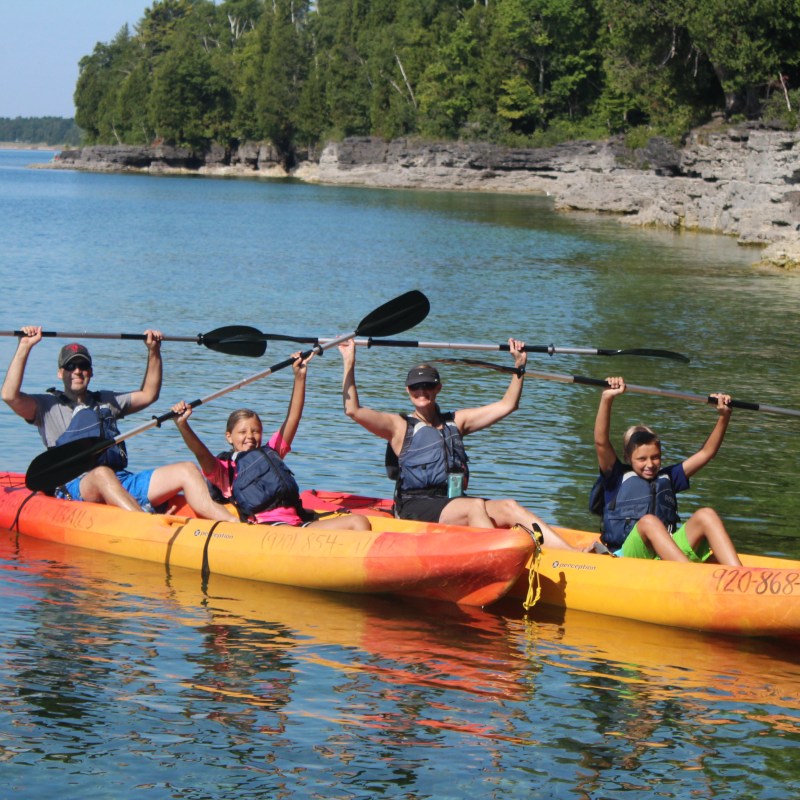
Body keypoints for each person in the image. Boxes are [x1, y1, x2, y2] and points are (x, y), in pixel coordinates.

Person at [338, 337, 583, 550]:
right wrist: (349, 361)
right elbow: (353, 409)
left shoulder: (457, 421)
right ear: (408, 390)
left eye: (428, 385)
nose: (422, 391)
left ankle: (571, 556)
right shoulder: (398, 426)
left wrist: (519, 366)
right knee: (474, 506)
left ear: (438, 388)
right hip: (415, 505)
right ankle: (496, 554)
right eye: (416, 387)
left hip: (453, 501)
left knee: (509, 506)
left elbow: (507, 405)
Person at [2, 325, 237, 521]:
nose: (77, 371)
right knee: (102, 473)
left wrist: (153, 351)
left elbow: (148, 394)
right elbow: (9, 396)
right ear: (60, 373)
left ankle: (235, 524)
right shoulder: (45, 406)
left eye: (83, 366)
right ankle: (145, 524)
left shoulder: (106, 400)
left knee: (186, 469)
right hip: (74, 486)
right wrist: (25, 346)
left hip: (120, 479)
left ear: (91, 372)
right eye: (70, 366)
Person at [171, 351, 371, 531]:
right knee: (292, 534)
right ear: (228, 437)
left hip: (299, 524)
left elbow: (293, 418)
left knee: (359, 522)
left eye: (255, 431)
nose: (250, 436)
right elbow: (201, 453)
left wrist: (299, 377)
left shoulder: (272, 451)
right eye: (242, 432)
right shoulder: (224, 470)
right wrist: (183, 425)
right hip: (269, 529)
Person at [593, 375, 742, 565]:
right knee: (648, 522)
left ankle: (739, 576)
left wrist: (724, 416)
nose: (650, 464)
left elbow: (707, 453)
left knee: (707, 514)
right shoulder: (615, 475)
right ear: (628, 457)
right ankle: (690, 576)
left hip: (667, 556)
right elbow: (601, 442)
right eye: (642, 459)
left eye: (655, 457)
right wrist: (607, 398)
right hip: (627, 558)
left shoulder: (669, 477)